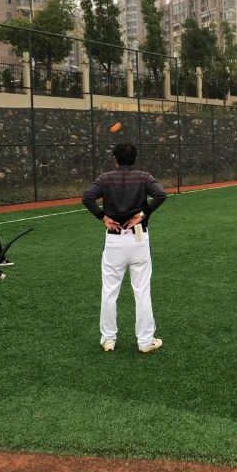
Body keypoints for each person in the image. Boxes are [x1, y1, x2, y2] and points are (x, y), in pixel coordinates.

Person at [82, 142, 167, 354]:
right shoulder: (144, 177)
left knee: (109, 291)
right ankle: (145, 341)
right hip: (138, 238)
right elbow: (160, 194)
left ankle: (108, 339)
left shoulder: (105, 178)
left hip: (114, 240)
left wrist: (103, 217)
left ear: (116, 160)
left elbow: (87, 197)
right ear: (134, 159)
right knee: (142, 291)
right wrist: (142, 214)